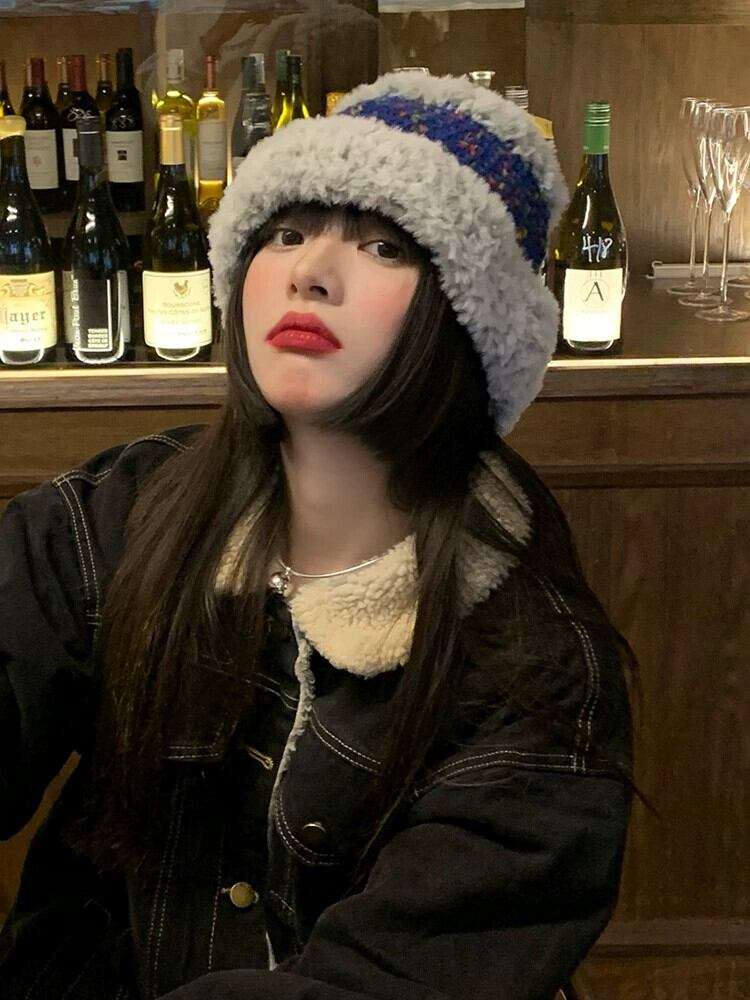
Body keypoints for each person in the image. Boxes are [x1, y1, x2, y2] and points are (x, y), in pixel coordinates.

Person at [0, 71, 635, 999]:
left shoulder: (534, 657)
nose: (310, 271)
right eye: (288, 232)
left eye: (384, 245)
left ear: (470, 318)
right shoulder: (118, 513)